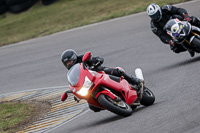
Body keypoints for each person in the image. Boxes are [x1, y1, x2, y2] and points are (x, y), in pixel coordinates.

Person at [61, 49, 143, 112]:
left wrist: (96, 62)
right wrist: (75, 93)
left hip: (99, 72)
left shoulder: (83, 59)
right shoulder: (71, 73)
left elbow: (98, 58)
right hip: (90, 84)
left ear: (74, 57)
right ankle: (110, 104)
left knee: (117, 72)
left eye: (69, 61)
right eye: (66, 63)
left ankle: (135, 80)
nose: (69, 64)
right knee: (92, 107)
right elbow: (74, 83)